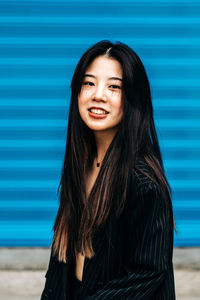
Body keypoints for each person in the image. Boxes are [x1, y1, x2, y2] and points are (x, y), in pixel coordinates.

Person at [41, 40, 176, 300]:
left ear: (133, 99)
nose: (98, 95)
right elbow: (61, 260)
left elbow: (147, 273)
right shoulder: (80, 166)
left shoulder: (143, 183)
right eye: (89, 83)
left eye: (114, 87)